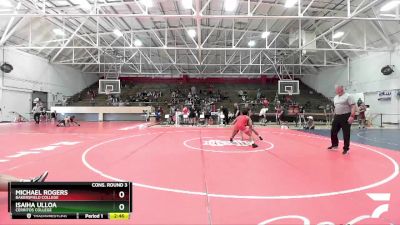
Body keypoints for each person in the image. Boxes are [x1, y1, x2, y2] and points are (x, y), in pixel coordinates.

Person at [328, 85, 356, 155]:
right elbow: (336, 107)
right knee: (333, 131)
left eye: (337, 89)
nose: (336, 90)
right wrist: (334, 116)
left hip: (346, 116)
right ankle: (335, 145)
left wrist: (352, 116)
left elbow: (353, 106)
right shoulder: (335, 97)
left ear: (341, 89)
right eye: (336, 89)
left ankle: (346, 149)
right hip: (337, 116)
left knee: (346, 133)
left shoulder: (348, 96)